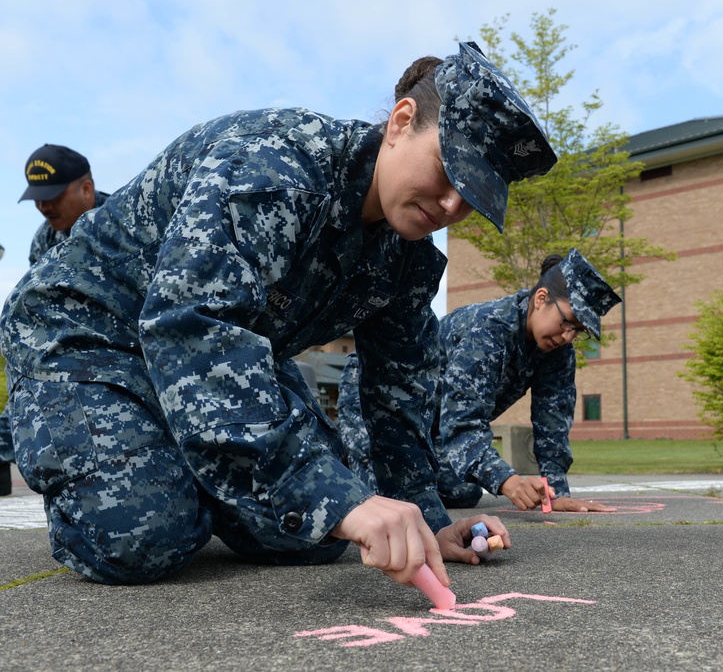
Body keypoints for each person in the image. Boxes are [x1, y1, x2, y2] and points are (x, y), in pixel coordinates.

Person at [0, 41, 557, 587]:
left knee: (312, 535)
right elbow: (193, 330)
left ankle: (180, 457)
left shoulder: (408, 262)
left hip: (219, 356)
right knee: (143, 535)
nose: (452, 206)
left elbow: (398, 402)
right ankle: (135, 464)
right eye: (448, 170)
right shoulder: (273, 169)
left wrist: (428, 525)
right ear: (401, 121)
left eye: (473, 196)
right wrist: (328, 491)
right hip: (86, 337)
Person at [338, 249, 622, 513]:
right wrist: (508, 481)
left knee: (463, 491)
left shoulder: (557, 351)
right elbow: (463, 422)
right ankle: (336, 458)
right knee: (381, 504)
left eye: (578, 331)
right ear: (541, 299)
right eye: (568, 321)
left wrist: (555, 494)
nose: (568, 336)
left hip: (432, 420)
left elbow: (553, 423)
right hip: (377, 396)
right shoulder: (487, 331)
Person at [0, 145, 109, 497]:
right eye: (38, 198)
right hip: (73, 342)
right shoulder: (46, 239)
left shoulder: (123, 221)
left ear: (86, 189)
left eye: (53, 196)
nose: (44, 206)